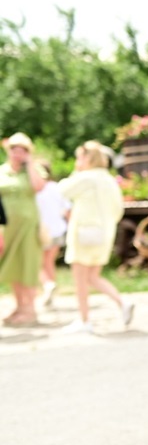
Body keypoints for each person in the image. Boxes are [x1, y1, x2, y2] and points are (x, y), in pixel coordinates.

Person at [58, 141, 134, 334]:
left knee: (81, 279)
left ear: (86, 158)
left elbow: (61, 191)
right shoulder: (110, 180)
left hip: (83, 234)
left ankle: (84, 320)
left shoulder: (86, 178)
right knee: (93, 276)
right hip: (104, 235)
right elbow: (118, 210)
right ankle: (122, 302)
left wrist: (77, 171)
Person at [0, 133, 46, 326]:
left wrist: (29, 165)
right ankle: (19, 306)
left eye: (22, 150)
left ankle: (30, 309)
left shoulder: (32, 171)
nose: (17, 154)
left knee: (28, 266)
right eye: (14, 149)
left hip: (28, 227)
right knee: (12, 268)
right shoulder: (2, 171)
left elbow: (38, 187)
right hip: (7, 228)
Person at [34, 164, 70, 307]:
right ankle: (50, 292)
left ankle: (47, 285)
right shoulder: (57, 187)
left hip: (41, 231)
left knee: (38, 264)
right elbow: (67, 210)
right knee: (49, 262)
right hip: (58, 230)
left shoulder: (35, 190)